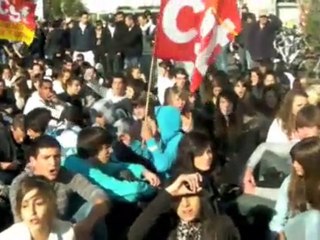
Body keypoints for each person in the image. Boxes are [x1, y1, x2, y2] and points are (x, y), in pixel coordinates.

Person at [9, 135, 110, 240]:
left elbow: (100, 196)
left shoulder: (66, 175)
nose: (53, 163)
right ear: (33, 161)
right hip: (37, 230)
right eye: (46, 158)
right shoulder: (20, 184)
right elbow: (20, 224)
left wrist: (87, 224)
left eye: (57, 157)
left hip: (64, 226)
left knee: (92, 208)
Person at [128, 173, 240, 240]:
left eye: (190, 196)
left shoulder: (221, 226)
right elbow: (134, 235)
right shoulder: (166, 226)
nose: (185, 204)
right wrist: (169, 193)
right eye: (178, 199)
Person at [64, 127, 160, 203]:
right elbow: (121, 189)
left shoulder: (92, 162)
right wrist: (151, 189)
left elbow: (121, 166)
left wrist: (144, 171)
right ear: (92, 150)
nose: (111, 150)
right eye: (106, 148)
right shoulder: (82, 168)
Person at [243, 105, 320, 196]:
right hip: (292, 195)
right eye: (300, 128)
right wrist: (248, 171)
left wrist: (255, 191)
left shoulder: (314, 154)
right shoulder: (300, 147)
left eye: (307, 127)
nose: (302, 132)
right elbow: (264, 147)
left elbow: (297, 195)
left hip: (306, 202)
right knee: (268, 157)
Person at [269, 137, 320, 240]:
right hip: (295, 232)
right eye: (294, 160)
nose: (294, 164)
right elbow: (278, 219)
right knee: (314, 217)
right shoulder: (290, 182)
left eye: (299, 161)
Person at [0, 176, 75, 240]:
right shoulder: (8, 237)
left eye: (38, 204)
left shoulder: (69, 233)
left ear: (51, 205)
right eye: (25, 206)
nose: (32, 211)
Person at [0, 114, 26, 185]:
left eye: (24, 137)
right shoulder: (2, 137)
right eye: (18, 137)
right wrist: (3, 165)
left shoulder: (29, 139)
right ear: (12, 128)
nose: (21, 140)